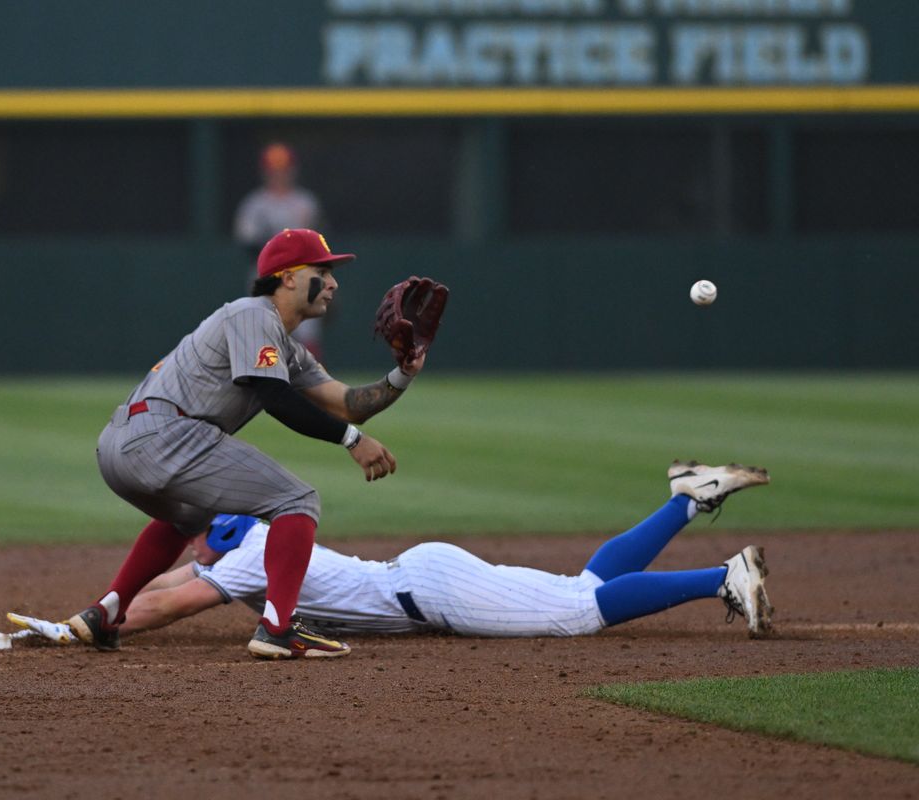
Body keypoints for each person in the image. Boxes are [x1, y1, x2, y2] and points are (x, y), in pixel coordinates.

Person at [67, 227, 428, 660]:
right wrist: (352, 441)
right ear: (288, 276)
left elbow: (347, 404)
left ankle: (105, 613)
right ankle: (278, 627)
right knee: (297, 501)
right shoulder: (253, 314)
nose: (333, 283)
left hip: (121, 446)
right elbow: (272, 395)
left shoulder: (283, 346)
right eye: (323, 271)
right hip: (166, 435)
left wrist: (402, 374)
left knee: (188, 517)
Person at [96, 460, 775, 648]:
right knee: (581, 584)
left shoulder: (252, 558)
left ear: (217, 533)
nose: (189, 542)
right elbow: (178, 578)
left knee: (579, 613)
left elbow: (168, 602)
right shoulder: (255, 545)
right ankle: (688, 498)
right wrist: (97, 612)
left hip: (435, 592)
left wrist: (104, 624)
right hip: (426, 576)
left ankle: (723, 576)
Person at [233, 142, 327, 359]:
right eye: (274, 171)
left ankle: (315, 387)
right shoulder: (255, 204)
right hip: (267, 275)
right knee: (261, 331)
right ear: (265, 172)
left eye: (283, 170)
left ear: (293, 171)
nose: (279, 175)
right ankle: (263, 385)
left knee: (308, 333)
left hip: (303, 274)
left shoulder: (306, 202)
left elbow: (319, 241)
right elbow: (248, 243)